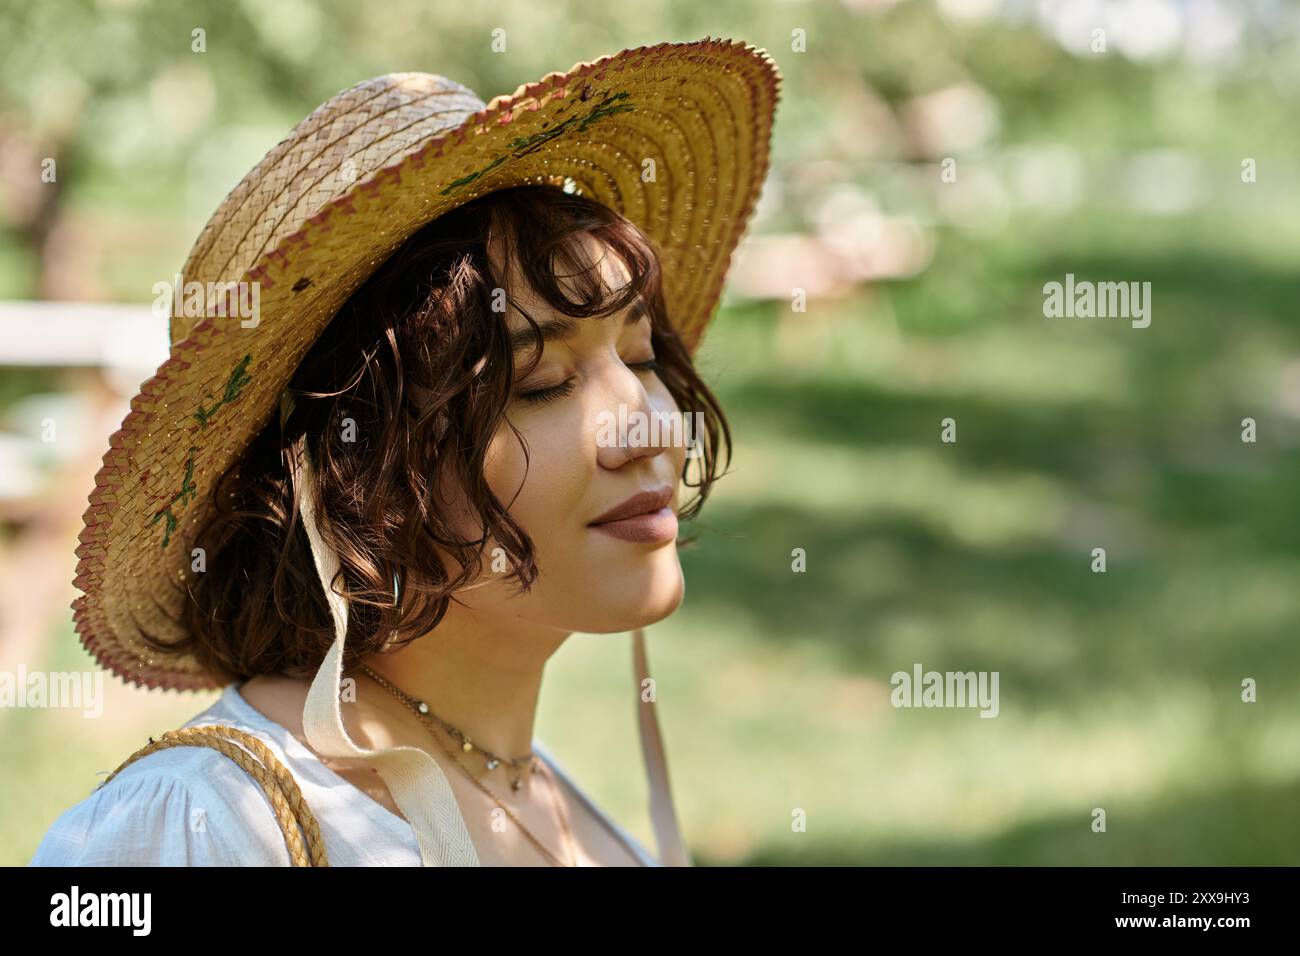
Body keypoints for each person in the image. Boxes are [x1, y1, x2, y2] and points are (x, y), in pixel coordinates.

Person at [28, 40, 780, 866]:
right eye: (539, 384)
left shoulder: (548, 802)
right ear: (358, 472)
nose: (647, 423)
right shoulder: (209, 823)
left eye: (639, 358)